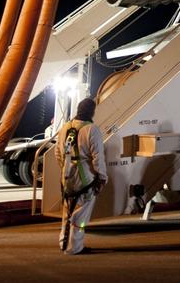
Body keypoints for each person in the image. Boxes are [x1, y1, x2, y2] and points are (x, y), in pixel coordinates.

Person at [57, 98, 107, 255]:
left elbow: (58, 153)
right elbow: (98, 156)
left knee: (67, 210)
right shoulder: (91, 129)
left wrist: (65, 167)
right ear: (92, 111)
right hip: (84, 177)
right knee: (81, 214)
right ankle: (75, 247)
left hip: (66, 176)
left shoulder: (65, 127)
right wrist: (102, 177)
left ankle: (63, 243)